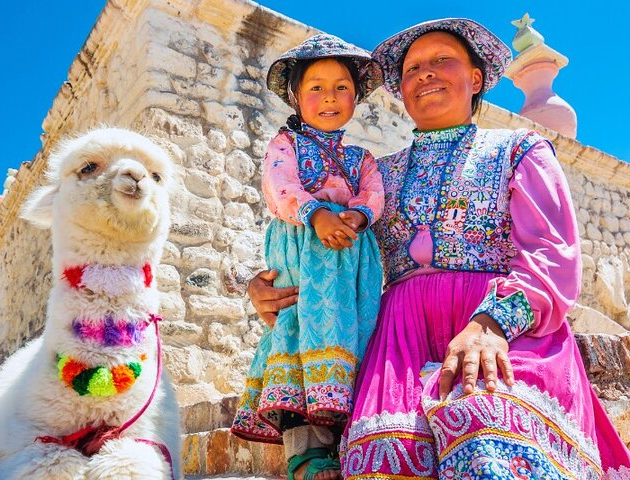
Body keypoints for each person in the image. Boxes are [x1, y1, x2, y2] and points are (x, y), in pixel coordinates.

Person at [248, 18, 630, 479]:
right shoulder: (374, 179)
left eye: (442, 60)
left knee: (486, 430)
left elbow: (552, 255)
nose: (426, 73)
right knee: (383, 455)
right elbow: (309, 236)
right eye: (413, 68)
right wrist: (266, 287)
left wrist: (490, 325)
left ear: (476, 78)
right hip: (398, 341)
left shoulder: (520, 151)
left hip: (505, 330)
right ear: (401, 89)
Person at [230, 33, 386, 480]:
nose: (329, 97)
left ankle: (350, 437)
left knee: (352, 337)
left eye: (341, 87)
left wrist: (356, 219)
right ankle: (305, 452)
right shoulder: (285, 145)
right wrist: (317, 215)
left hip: (351, 262)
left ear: (356, 97)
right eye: (316, 87)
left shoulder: (361, 158)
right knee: (298, 333)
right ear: (296, 97)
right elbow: (280, 189)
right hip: (303, 250)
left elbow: (374, 194)